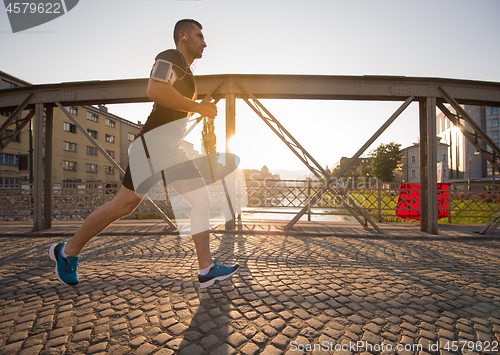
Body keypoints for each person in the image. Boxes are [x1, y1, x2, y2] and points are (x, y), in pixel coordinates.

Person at [49, 19, 239, 289]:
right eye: (199, 36)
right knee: (123, 206)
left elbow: (173, 102)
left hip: (167, 149)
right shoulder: (170, 57)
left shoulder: (186, 73)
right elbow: (155, 89)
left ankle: (207, 268)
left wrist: (199, 106)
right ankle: (67, 252)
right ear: (182, 36)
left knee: (200, 201)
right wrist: (199, 108)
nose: (204, 42)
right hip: (151, 146)